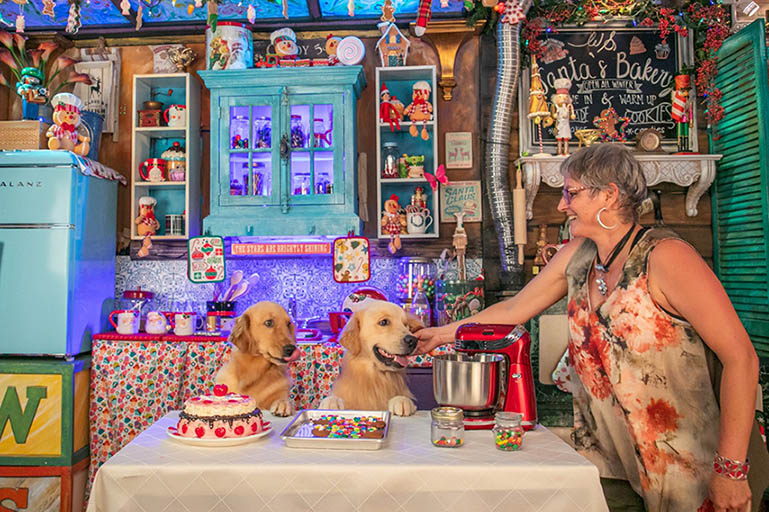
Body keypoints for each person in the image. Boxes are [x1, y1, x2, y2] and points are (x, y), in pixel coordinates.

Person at [415, 143, 768, 512]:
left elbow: (741, 358)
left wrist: (731, 470)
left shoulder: (666, 257)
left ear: (609, 196)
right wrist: (441, 334)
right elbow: (516, 308)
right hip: (614, 465)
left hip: (691, 470)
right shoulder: (579, 256)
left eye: (571, 192)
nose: (563, 203)